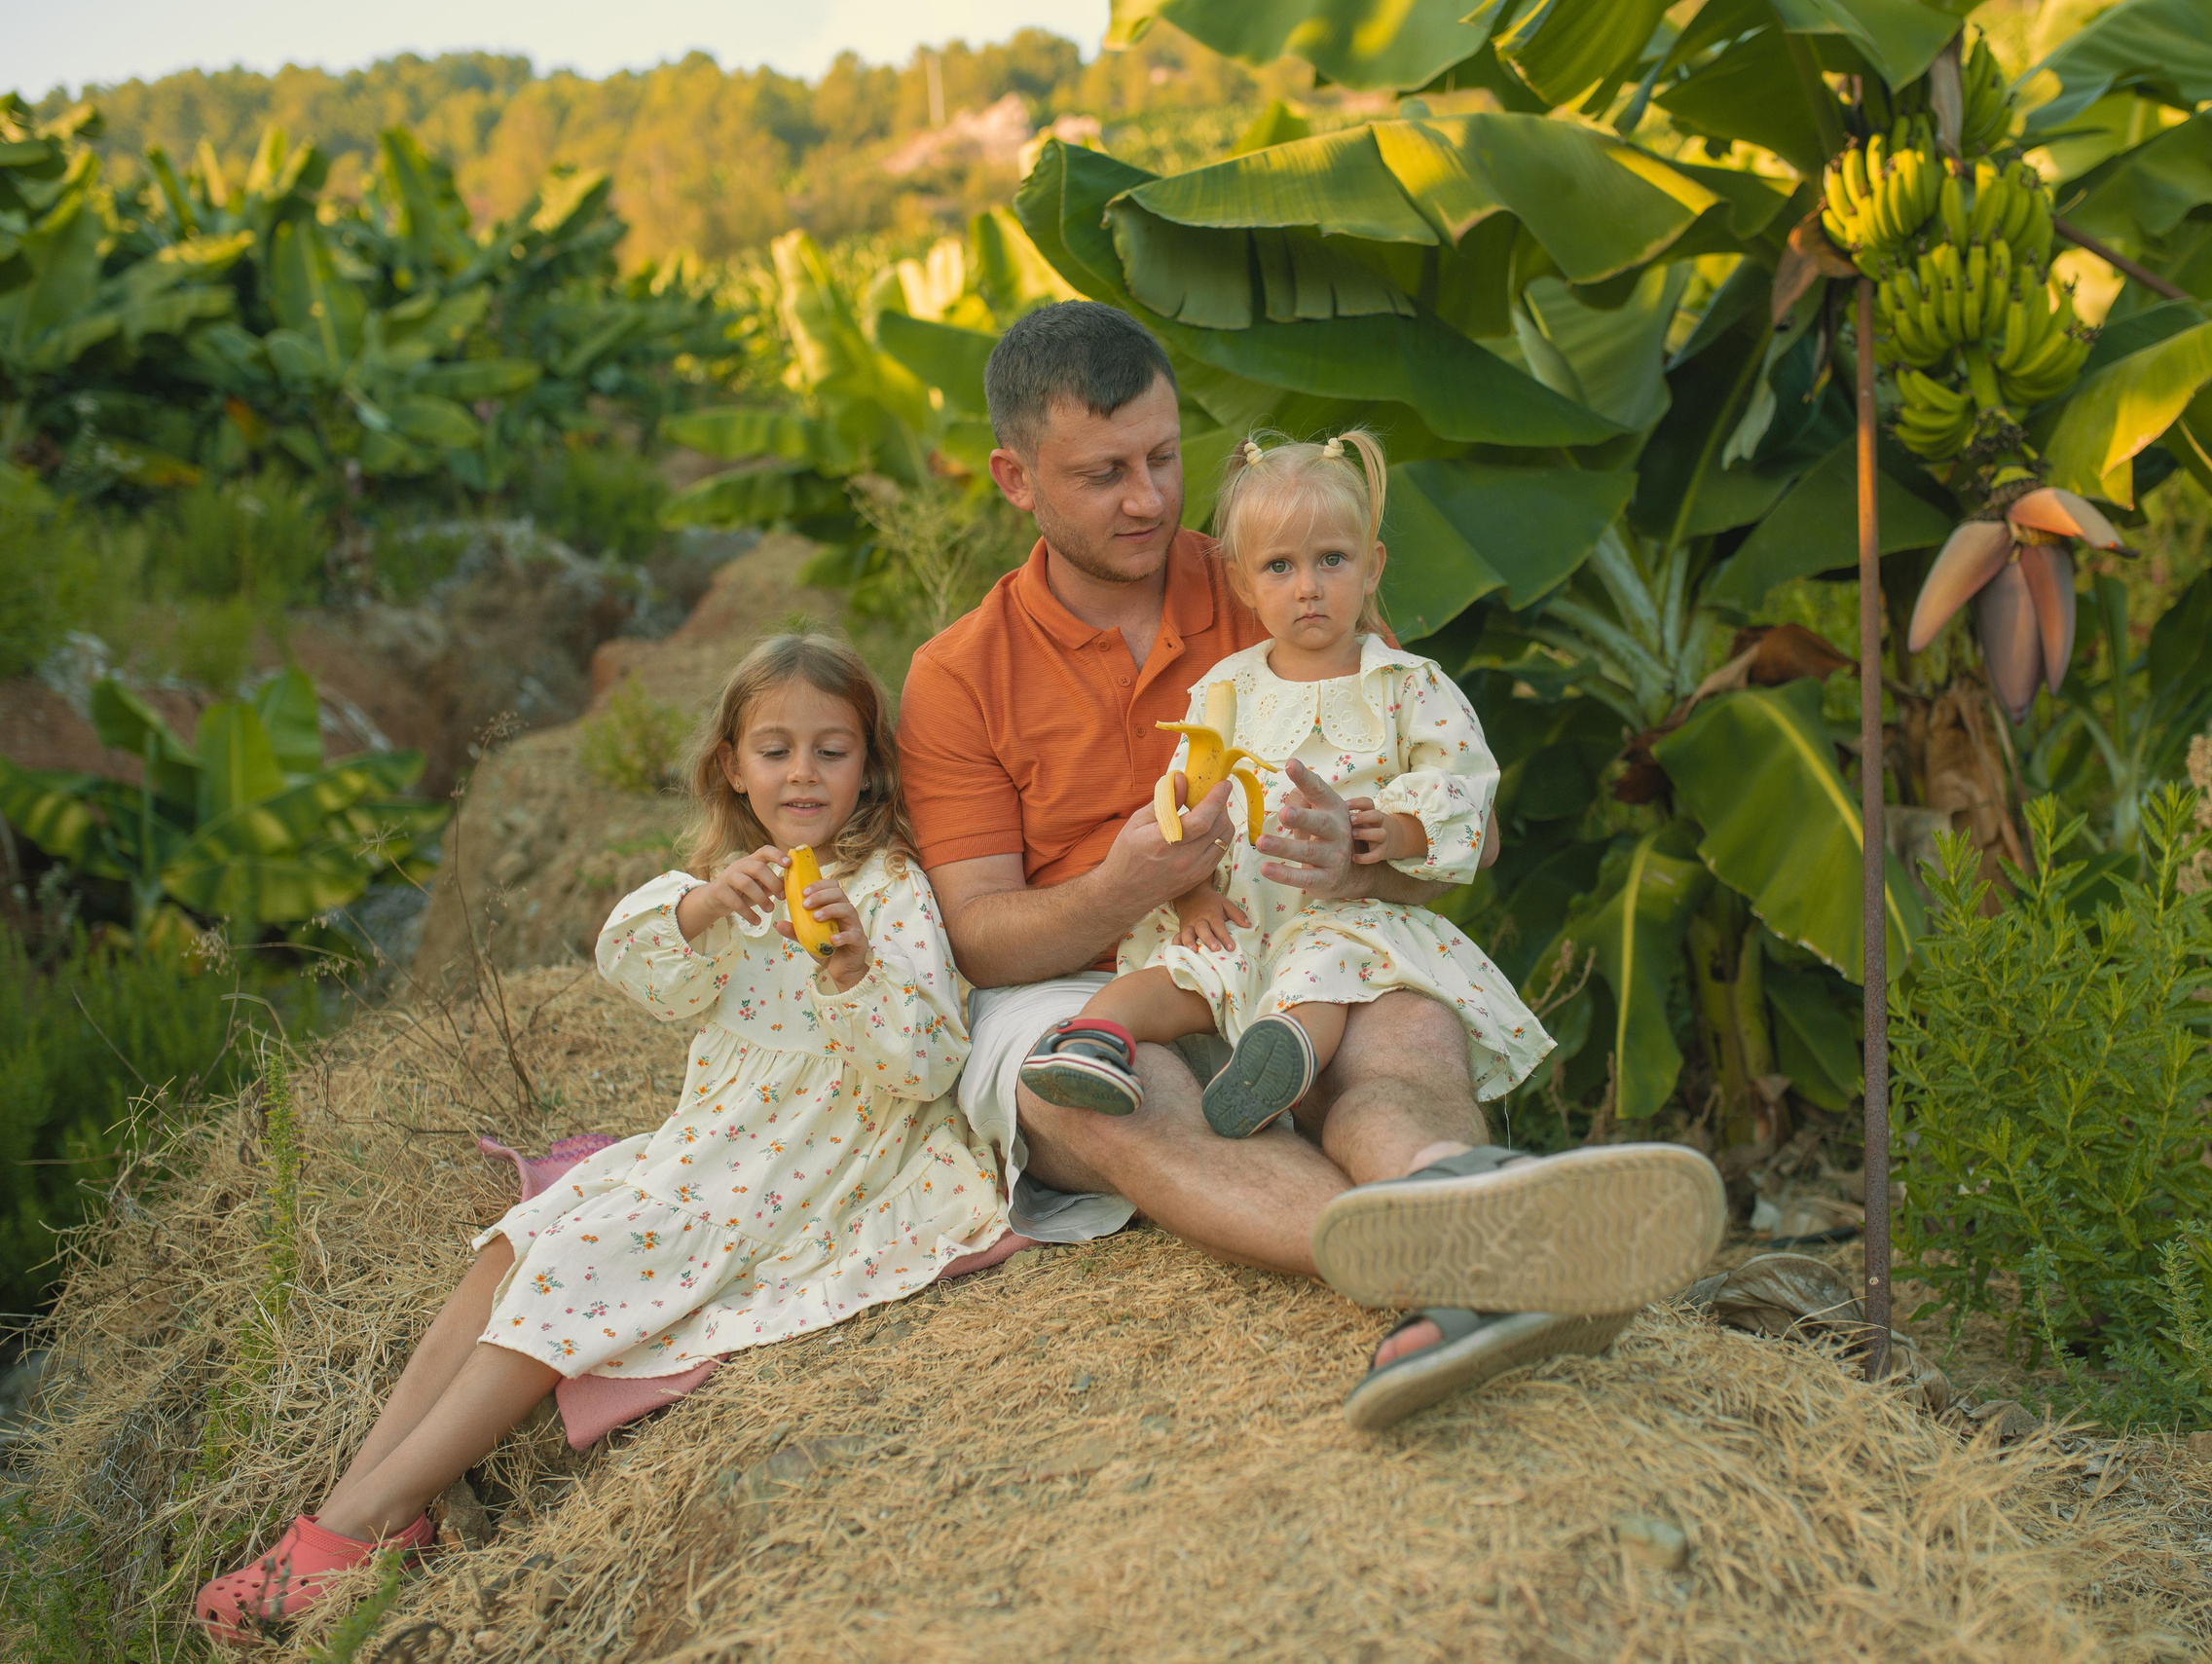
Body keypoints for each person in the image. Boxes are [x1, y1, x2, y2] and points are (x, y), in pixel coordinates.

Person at [899, 301, 1726, 1433]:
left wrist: (1363, 858)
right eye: (1103, 474)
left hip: (1297, 931)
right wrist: (1124, 887)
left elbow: (1463, 830)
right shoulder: (959, 673)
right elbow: (981, 935)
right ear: (1015, 477)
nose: (1148, 499)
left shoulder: (1275, 562)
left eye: (1161, 457)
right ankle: (1470, 1261)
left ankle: (1446, 1190)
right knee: (1097, 1089)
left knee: (1403, 1024)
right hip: (1088, 979)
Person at [194, 634, 1009, 1642]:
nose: (803, 773)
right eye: (776, 750)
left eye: (831, 751)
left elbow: (925, 1062)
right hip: (716, 1138)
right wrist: (705, 904)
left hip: (817, 1156)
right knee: (511, 1244)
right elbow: (637, 966)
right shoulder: (738, 882)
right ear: (732, 766)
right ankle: (362, 1504)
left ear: (870, 765)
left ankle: (361, 1523)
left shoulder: (887, 888)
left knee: (574, 1262)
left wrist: (849, 966)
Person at [1015, 427, 1552, 1144]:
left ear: (1371, 567)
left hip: (1346, 914)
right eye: (1279, 566)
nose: (1308, 588)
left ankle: (1276, 1068)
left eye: (1332, 559)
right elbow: (1187, 800)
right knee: (1178, 973)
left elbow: (1462, 794)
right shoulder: (1225, 688)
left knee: (1324, 973)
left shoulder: (1405, 684)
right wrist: (1190, 894)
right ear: (1244, 583)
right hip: (1238, 912)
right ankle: (1090, 1039)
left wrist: (1392, 832)